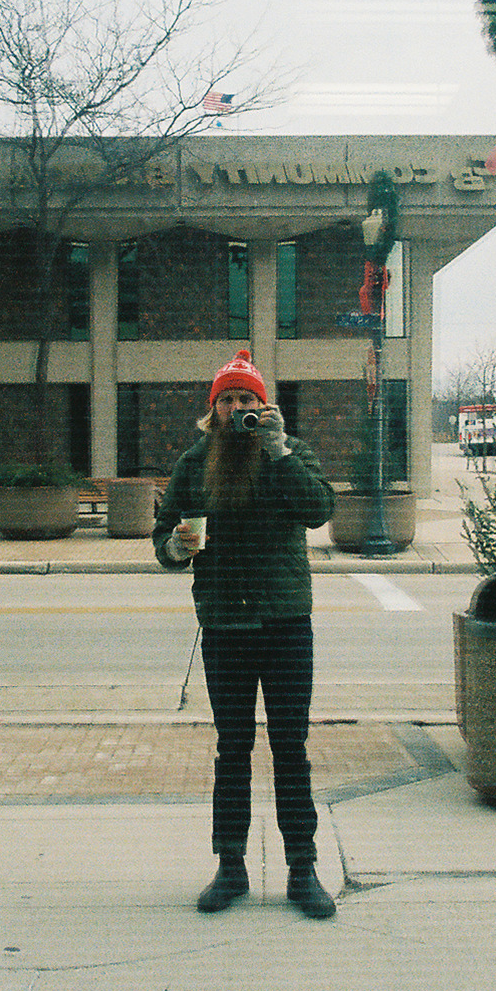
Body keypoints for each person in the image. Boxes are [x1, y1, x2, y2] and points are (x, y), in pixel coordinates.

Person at [153, 350, 338, 919]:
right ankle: (230, 866)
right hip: (225, 624)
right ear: (213, 408)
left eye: (247, 399)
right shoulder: (193, 463)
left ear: (264, 405)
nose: (237, 409)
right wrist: (174, 547)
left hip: (286, 624)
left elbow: (318, 509)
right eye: (227, 400)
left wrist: (280, 453)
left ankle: (302, 868)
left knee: (290, 747)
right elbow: (163, 535)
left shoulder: (289, 451)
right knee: (232, 749)